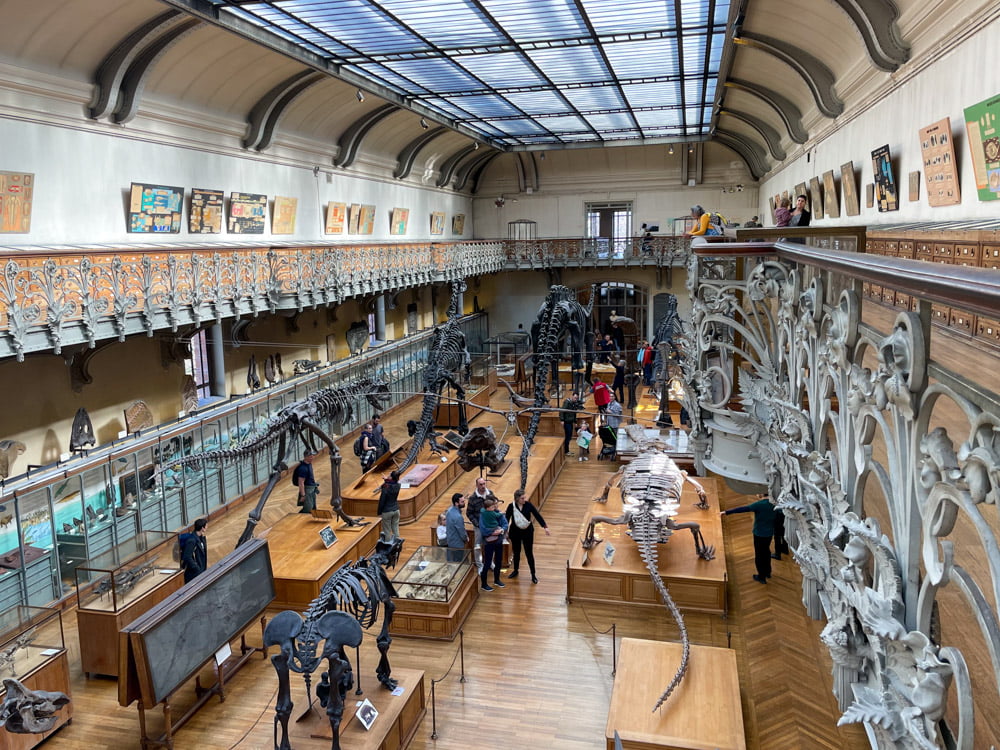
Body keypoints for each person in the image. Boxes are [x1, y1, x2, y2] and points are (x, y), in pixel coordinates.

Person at [720, 495, 777, 583]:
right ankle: (767, 572)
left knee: (759, 555)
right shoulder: (775, 504)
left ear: (762, 494)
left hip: (759, 533)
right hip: (769, 533)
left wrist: (726, 512)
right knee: (766, 552)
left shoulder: (760, 504)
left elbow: (743, 509)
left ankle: (761, 576)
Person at [505, 488, 550, 584]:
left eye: (524, 498)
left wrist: (545, 527)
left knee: (529, 554)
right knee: (516, 553)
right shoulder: (511, 506)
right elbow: (506, 519)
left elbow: (537, 515)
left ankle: (533, 575)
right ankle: (515, 570)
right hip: (515, 533)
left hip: (527, 533)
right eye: (522, 498)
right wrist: (505, 532)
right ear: (517, 499)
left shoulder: (528, 505)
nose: (524, 500)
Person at [466, 477, 498, 570]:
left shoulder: (490, 494)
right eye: (481, 484)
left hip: (490, 525)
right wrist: (477, 524)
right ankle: (480, 565)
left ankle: (490, 562)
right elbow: (469, 513)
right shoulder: (472, 498)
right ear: (476, 485)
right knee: (478, 546)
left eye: (484, 484)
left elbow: (494, 507)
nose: (483, 486)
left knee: (491, 544)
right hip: (479, 526)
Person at [478, 497, 508, 591]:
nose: (496, 505)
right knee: (487, 562)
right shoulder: (483, 515)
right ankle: (484, 584)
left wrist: (501, 530)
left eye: (496, 504)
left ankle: (497, 580)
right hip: (489, 542)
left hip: (498, 540)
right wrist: (492, 533)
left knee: (498, 561)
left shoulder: (498, 513)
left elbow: (505, 524)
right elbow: (482, 529)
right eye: (494, 504)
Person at [179, 517, 208, 583]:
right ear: (202, 528)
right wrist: (197, 568)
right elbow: (187, 557)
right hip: (193, 574)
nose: (207, 527)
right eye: (206, 526)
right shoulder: (191, 540)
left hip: (201, 571)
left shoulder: (201, 538)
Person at [376, 470, 401, 541]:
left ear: (391, 478)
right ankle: (397, 543)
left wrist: (379, 512)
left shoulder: (385, 487)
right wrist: (386, 480)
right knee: (395, 528)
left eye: (389, 475)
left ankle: (388, 546)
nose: (388, 476)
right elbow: (392, 484)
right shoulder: (398, 485)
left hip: (387, 511)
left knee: (387, 531)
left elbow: (382, 501)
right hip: (396, 510)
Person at [445, 493, 468, 562]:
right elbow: (462, 531)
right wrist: (466, 538)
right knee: (458, 562)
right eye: (462, 502)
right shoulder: (458, 517)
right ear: (456, 503)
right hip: (457, 544)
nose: (464, 503)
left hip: (450, 541)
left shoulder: (449, 511)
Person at [560, 391, 583, 456]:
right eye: (575, 398)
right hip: (567, 422)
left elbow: (574, 412)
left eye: (577, 398)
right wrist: (562, 420)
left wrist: (575, 421)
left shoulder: (573, 403)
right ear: (572, 396)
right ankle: (566, 451)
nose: (575, 399)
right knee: (568, 436)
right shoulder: (567, 402)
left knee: (569, 436)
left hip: (570, 422)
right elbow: (562, 411)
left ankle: (567, 450)